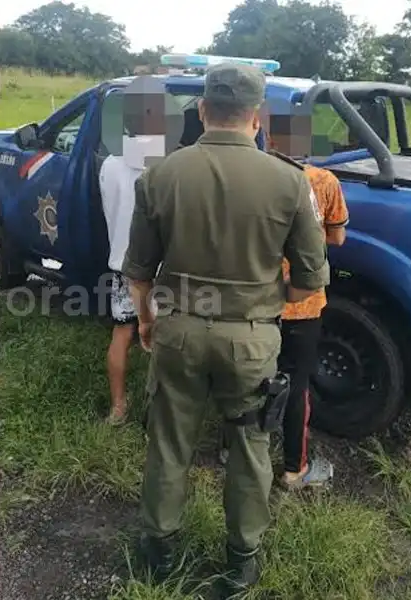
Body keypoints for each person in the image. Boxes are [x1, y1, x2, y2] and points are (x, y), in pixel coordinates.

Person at [122, 63, 329, 595]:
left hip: (178, 332)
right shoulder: (290, 181)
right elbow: (310, 281)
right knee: (249, 445)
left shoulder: (160, 175)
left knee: (169, 443)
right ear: (256, 118)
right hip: (253, 338)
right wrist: (262, 306)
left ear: (201, 110)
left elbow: (138, 271)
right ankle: (240, 562)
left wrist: (147, 321)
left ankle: (160, 552)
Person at [275, 160, 348, 488]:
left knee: (246, 375)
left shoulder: (254, 175)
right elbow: (338, 237)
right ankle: (295, 469)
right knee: (295, 383)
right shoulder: (324, 180)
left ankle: (230, 450)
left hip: (255, 298)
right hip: (302, 302)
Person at [99, 153, 144, 424]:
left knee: (122, 333)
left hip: (121, 263)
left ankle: (118, 408)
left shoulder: (109, 165)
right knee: (164, 336)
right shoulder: (168, 163)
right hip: (158, 266)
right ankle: (162, 409)